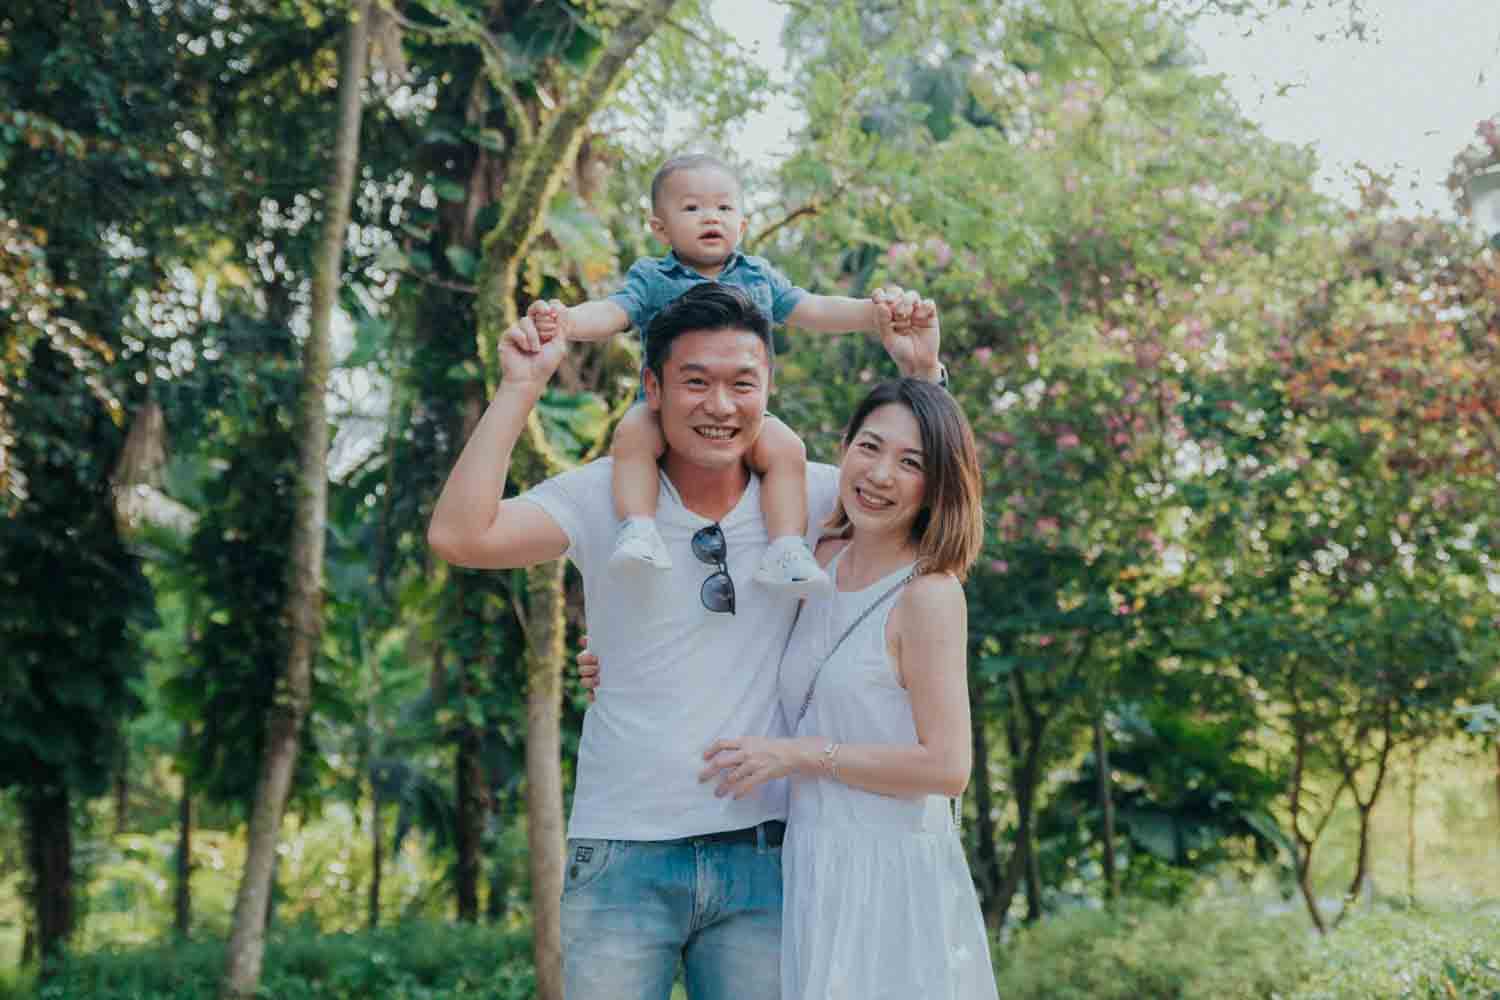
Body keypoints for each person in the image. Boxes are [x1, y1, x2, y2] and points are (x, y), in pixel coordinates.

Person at [427, 280, 943, 1000]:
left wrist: (923, 375)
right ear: (652, 388)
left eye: (742, 383)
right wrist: (519, 387)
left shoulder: (814, 498)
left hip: (763, 850)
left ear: (769, 388)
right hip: (622, 850)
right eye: (695, 382)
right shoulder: (602, 494)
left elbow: (933, 513)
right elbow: (458, 536)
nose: (720, 406)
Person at [579, 378, 997, 1000]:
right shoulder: (817, 555)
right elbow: (728, 630)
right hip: (807, 865)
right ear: (844, 450)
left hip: (887, 876)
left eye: (911, 463)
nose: (880, 475)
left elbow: (947, 766)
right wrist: (618, 658)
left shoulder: (930, 595)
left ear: (938, 484)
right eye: (870, 447)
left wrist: (798, 755)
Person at [529, 152, 899, 597]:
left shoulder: (757, 274)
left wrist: (874, 314)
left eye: (724, 208)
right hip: (662, 410)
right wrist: (567, 322)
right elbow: (613, 312)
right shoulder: (653, 277)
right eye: (692, 208)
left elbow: (813, 307)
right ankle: (639, 530)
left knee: (786, 447)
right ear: (660, 228)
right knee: (631, 436)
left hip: (744, 416)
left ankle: (785, 548)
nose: (711, 217)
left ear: (741, 225)